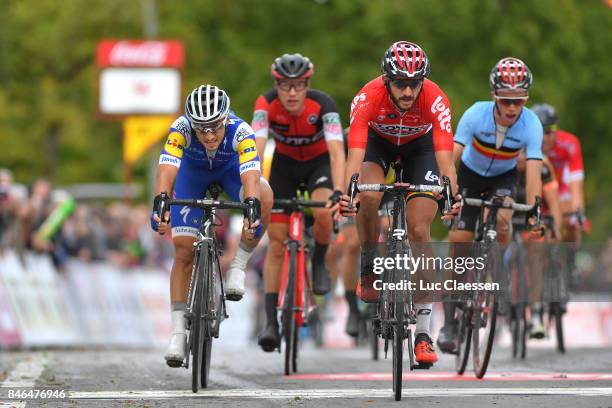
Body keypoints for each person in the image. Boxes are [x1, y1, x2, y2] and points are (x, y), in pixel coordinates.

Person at [342, 41, 460, 366]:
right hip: (377, 146)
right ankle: (369, 264)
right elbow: (354, 153)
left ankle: (423, 333)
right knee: (367, 195)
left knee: (420, 230)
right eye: (400, 83)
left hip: (420, 150)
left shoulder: (435, 99)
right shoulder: (368, 97)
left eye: (414, 83)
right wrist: (346, 190)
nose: (408, 91)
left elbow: (445, 156)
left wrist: (451, 189)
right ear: (385, 79)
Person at [151, 84, 273, 366]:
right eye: (201, 129)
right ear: (191, 123)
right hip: (192, 178)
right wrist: (161, 200)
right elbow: (167, 168)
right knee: (183, 251)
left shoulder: (241, 131)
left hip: (230, 173)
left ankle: (238, 266)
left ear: (225, 119)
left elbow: (251, 176)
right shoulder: (179, 128)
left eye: (214, 128)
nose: (208, 135)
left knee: (264, 195)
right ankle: (179, 333)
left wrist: (252, 206)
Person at [437, 57, 544, 353]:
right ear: (494, 96)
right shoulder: (475, 114)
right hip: (469, 176)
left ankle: (496, 270)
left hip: (503, 178)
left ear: (526, 98)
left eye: (519, 101)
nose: (512, 108)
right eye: (506, 101)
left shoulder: (531, 123)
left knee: (502, 220)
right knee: (459, 241)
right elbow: (452, 157)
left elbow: (533, 171)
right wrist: (448, 193)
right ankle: (448, 320)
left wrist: (535, 210)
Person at [252, 53, 346, 352]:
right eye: (285, 86)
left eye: (299, 86)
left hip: (319, 165)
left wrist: (339, 190)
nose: (292, 93)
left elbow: (336, 152)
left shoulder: (324, 105)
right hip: (284, 166)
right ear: (276, 85)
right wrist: (253, 186)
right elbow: (257, 146)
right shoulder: (264, 104)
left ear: (308, 85)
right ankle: (271, 322)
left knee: (322, 213)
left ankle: (319, 259)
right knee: (277, 244)